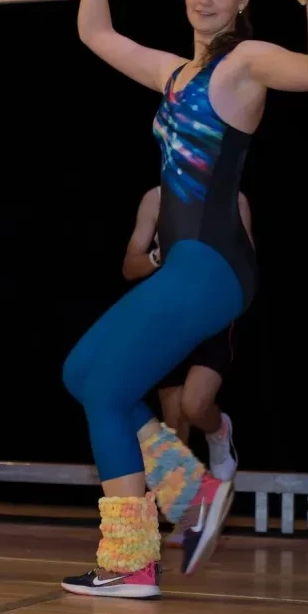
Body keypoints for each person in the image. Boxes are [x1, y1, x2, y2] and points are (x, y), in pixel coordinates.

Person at [61, 0, 308, 598]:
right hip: (194, 265)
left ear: (242, 1)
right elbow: (95, 34)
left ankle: (132, 560)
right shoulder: (175, 73)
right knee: (83, 373)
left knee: (105, 390)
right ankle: (190, 486)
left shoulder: (244, 62)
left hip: (211, 265)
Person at [122, 185, 247, 478]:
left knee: (195, 404)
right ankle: (188, 502)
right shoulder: (155, 199)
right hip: (168, 322)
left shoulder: (233, 199)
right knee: (176, 426)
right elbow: (129, 267)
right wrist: (159, 256)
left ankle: (218, 430)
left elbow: (247, 267)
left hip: (213, 318)